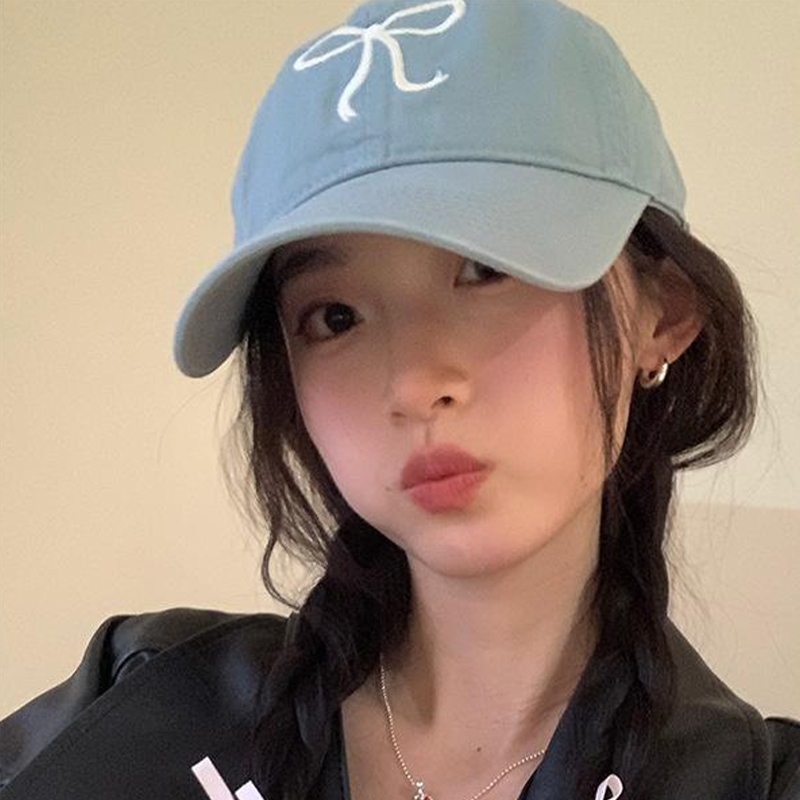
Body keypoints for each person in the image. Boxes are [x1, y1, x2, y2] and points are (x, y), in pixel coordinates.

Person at [1, 1, 798, 798]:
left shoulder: (750, 782)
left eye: (486, 267)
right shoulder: (143, 704)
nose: (414, 385)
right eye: (335, 317)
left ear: (663, 314)